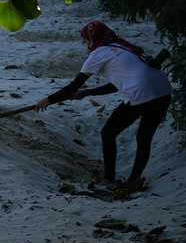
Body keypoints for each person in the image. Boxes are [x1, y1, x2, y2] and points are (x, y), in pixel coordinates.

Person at [34, 20, 172, 189]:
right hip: (164, 91)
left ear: (92, 38)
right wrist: (88, 93)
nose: (85, 44)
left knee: (108, 133)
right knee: (144, 138)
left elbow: (74, 86)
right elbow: (117, 84)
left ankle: (109, 178)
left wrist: (48, 100)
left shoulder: (99, 53)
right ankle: (133, 180)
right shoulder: (123, 46)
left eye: (85, 40)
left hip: (142, 92)